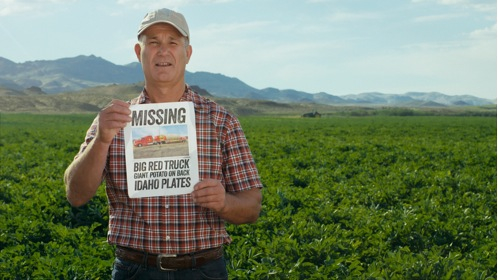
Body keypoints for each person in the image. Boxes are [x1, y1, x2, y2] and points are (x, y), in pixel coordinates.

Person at [64, 8, 263, 279]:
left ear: (187, 53)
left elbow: (252, 206)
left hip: (203, 270)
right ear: (139, 52)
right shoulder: (113, 119)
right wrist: (101, 140)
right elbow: (76, 195)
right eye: (153, 42)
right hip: (135, 270)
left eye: (173, 42)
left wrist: (223, 202)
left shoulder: (221, 121)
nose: (163, 51)